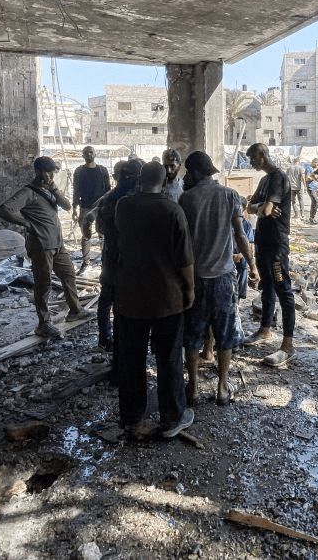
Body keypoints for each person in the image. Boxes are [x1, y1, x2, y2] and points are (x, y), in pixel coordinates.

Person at [114, 161, 195, 438]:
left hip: (129, 297)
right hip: (166, 299)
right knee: (169, 360)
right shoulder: (172, 210)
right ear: (164, 182)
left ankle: (132, 419)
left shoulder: (124, 206)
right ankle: (172, 419)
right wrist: (190, 290)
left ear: (140, 179)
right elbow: (185, 259)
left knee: (132, 360)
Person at [179, 151, 258, 406]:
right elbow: (241, 235)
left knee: (192, 335)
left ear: (194, 172)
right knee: (226, 335)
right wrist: (252, 265)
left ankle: (193, 387)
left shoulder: (186, 199)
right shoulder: (230, 195)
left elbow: (182, 241)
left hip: (195, 278)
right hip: (223, 277)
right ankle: (222, 389)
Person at [0, 156, 84, 337]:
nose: (51, 176)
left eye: (53, 172)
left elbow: (67, 206)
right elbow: (3, 210)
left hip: (58, 245)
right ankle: (43, 324)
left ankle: (75, 311)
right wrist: (26, 223)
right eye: (47, 172)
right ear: (37, 172)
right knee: (43, 284)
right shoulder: (28, 192)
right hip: (41, 246)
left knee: (69, 275)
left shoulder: (50, 190)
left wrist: (55, 189)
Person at [242, 142, 298, 368]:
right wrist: (259, 207)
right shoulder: (265, 180)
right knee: (266, 286)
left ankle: (288, 346)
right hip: (263, 240)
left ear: (263, 155)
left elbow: (264, 210)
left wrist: (261, 207)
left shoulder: (278, 178)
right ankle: (265, 329)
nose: (251, 162)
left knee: (283, 289)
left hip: (276, 243)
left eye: (253, 158)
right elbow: (250, 207)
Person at [94, 160, 142, 351]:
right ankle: (122, 339)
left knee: (106, 297)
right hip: (129, 259)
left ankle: (105, 337)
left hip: (110, 255)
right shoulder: (134, 201)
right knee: (124, 301)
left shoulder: (108, 198)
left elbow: (99, 228)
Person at [72, 146, 111, 274]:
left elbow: (108, 190)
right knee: (85, 236)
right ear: (82, 155)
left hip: (100, 207)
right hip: (84, 207)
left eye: (91, 152)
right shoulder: (79, 171)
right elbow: (76, 190)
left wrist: (108, 206)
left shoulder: (102, 170)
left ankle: (105, 262)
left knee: (102, 235)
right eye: (86, 153)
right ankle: (85, 263)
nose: (89, 154)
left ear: (95, 154)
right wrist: (74, 208)